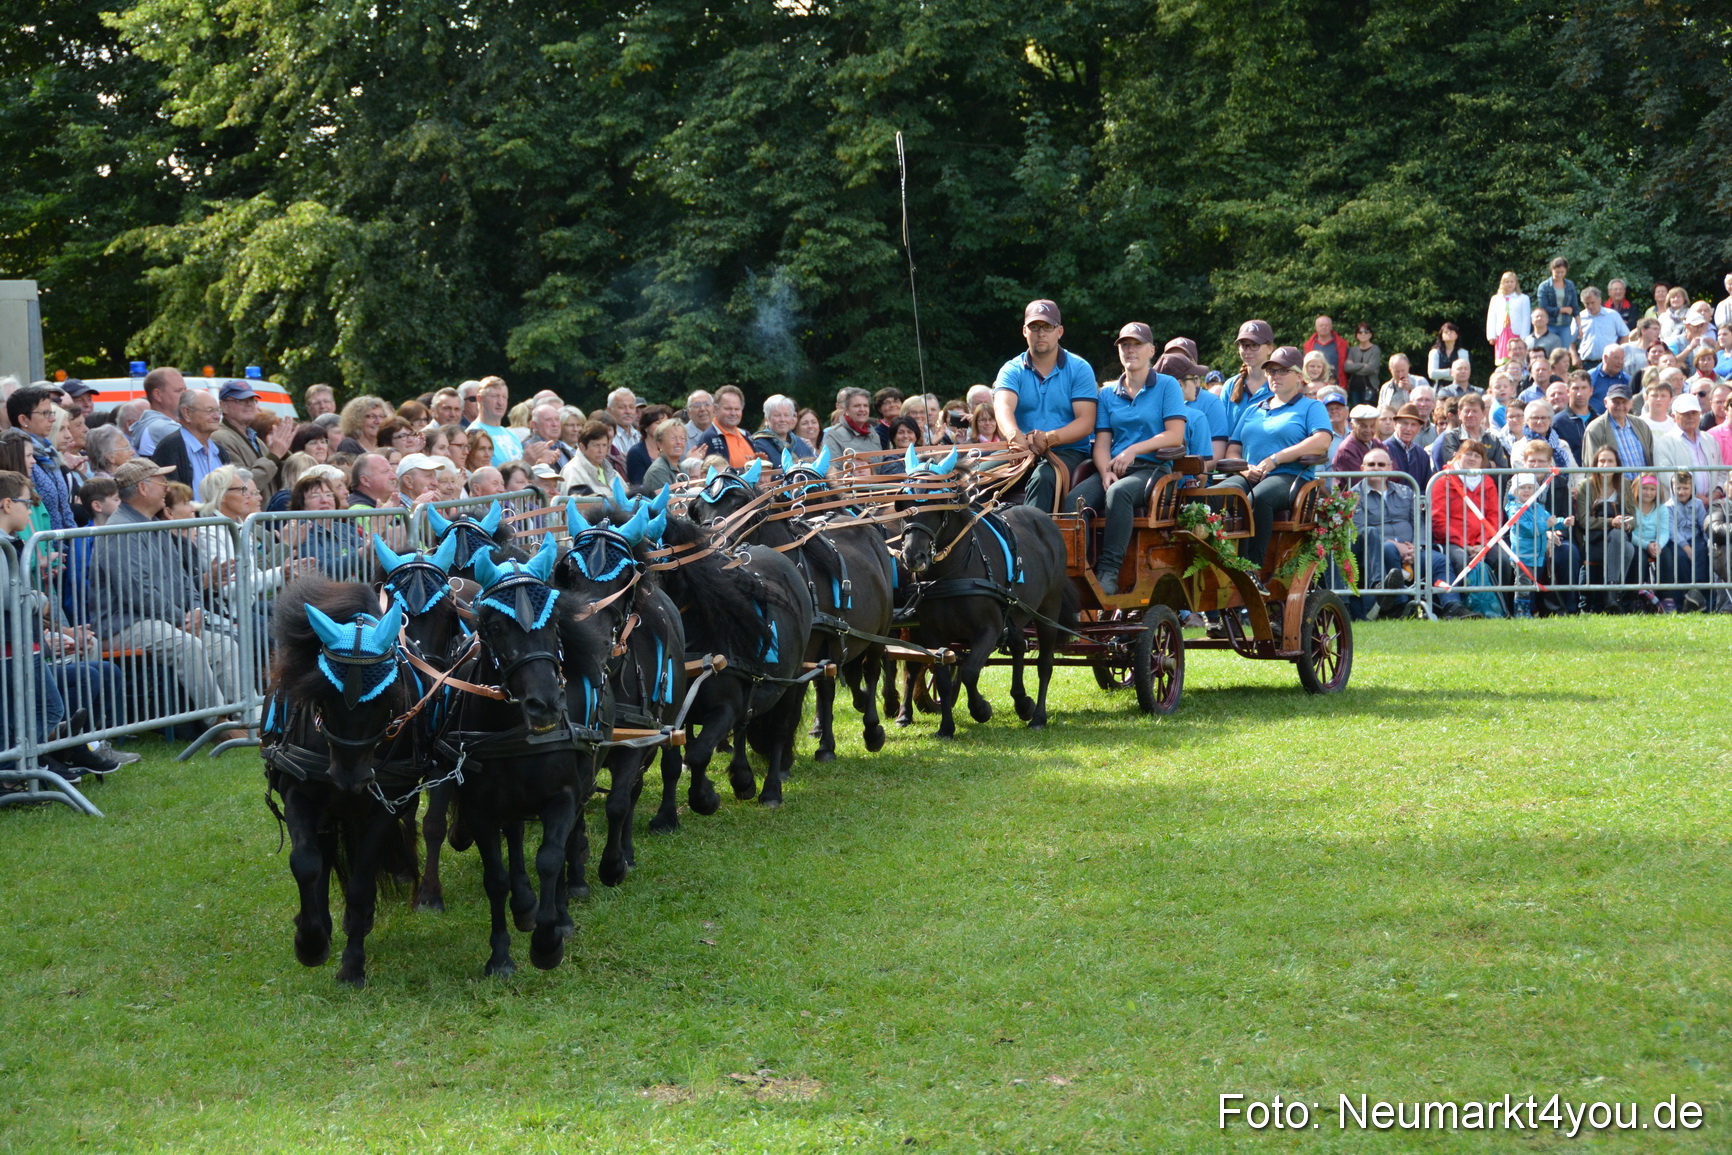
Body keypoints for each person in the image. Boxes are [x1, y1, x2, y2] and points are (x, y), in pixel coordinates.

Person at [87, 458, 252, 732]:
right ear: (142, 488)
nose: (166, 487)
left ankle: (243, 715)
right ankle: (219, 724)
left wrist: (196, 611)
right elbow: (137, 592)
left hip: (162, 620)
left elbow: (185, 581)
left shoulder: (154, 524)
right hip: (122, 624)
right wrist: (180, 618)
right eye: (160, 481)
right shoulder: (119, 530)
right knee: (187, 645)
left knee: (225, 647)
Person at [1069, 324, 1187, 592]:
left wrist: (1133, 449)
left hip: (1153, 469)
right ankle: (1079, 571)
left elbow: (1175, 436)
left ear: (1152, 350)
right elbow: (1101, 444)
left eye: (1137, 344)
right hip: (1114, 468)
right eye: (1124, 345)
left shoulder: (1167, 385)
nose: (1130, 350)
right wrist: (1104, 471)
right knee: (1073, 501)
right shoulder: (1107, 394)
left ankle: (1109, 572)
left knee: (1118, 493)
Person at [1221, 346, 1332, 567]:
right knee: (1214, 496)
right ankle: (1218, 566)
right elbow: (1233, 449)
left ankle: (1251, 569)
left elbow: (1322, 441)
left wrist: (1277, 459)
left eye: (1283, 371)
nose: (1275, 376)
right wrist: (1245, 468)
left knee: (1258, 498)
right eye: (1272, 371)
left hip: (1290, 476)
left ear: (1299, 377)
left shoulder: (1311, 407)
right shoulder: (1253, 409)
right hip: (1250, 475)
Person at [992, 300, 1098, 510]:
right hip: (1020, 450)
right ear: (1025, 330)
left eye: (1047, 327)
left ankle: (1030, 540)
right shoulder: (1011, 369)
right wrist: (1015, 436)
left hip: (1068, 451)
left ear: (1059, 331)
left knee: (1043, 477)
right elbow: (1003, 407)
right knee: (976, 477)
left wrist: (1050, 438)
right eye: (1034, 326)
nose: (1041, 333)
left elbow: (1086, 422)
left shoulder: (1079, 368)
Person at [1430, 440, 1512, 606]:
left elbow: (1494, 517)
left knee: (1504, 560)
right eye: (1468, 454)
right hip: (1453, 541)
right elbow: (1438, 519)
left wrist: (1483, 543)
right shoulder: (1441, 481)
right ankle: (1465, 606)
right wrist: (1465, 544)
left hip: (1483, 541)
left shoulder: (1487, 482)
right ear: (1458, 456)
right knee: (1461, 559)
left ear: (1483, 461)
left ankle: (1503, 607)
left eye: (1477, 455)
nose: (1472, 458)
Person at [1504, 469, 1579, 616]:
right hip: (1523, 556)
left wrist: (1562, 522)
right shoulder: (1514, 509)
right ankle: (1521, 612)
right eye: (1522, 487)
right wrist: (1547, 525)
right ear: (1515, 490)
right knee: (1523, 586)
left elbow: (1549, 519)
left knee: (1532, 585)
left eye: (1530, 487)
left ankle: (1530, 611)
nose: (1526, 491)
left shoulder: (1536, 507)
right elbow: (1528, 529)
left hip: (1537, 556)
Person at [1573, 445, 1634, 612]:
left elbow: (1633, 515)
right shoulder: (1586, 486)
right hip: (1596, 538)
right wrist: (1610, 522)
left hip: (1619, 535)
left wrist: (1626, 523)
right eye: (1602, 461)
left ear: (1617, 464)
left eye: (1610, 461)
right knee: (1627, 547)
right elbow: (1584, 520)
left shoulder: (1625, 484)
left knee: (1618, 535)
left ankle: (1610, 590)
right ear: (1595, 464)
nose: (1606, 465)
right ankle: (1613, 593)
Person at [210, 379, 292, 499]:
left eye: (252, 400)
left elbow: (277, 480)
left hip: (262, 514)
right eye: (240, 400)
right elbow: (244, 485)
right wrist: (274, 455)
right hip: (246, 516)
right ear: (223, 406)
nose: (248, 404)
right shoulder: (221, 438)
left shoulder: (254, 438)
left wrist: (283, 453)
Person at [151, 389, 229, 493]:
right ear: (187, 413)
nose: (217, 416)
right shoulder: (170, 448)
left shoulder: (219, 451)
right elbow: (170, 497)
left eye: (218, 411)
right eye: (209, 410)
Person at [1655, 393, 1726, 500]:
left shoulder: (1709, 439)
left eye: (1694, 413)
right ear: (1674, 416)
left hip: (1712, 505)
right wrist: (1694, 496)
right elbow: (1667, 477)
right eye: (1685, 414)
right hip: (1680, 509)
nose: (1691, 417)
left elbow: (1721, 471)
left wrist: (1717, 492)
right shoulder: (1664, 443)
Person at [1154, 352, 1216, 467]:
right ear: (1179, 384)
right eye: (1193, 379)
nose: (1197, 385)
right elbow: (1201, 474)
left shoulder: (1145, 415)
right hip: (1184, 485)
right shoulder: (1197, 418)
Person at [1629, 473, 1679, 608]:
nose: (1648, 493)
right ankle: (1636, 597)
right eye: (1644, 488)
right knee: (1638, 557)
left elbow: (1664, 531)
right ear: (1637, 488)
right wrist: (1646, 545)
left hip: (1656, 543)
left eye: (1652, 489)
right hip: (1638, 543)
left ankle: (1667, 597)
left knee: (1667, 555)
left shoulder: (1661, 508)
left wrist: (1658, 545)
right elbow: (1629, 533)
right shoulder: (1631, 507)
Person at [1219, 319, 1275, 437]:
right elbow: (1221, 430)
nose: (1248, 351)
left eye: (1254, 345)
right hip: (1232, 453)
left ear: (1270, 348)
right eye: (1244, 345)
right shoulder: (1230, 385)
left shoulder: (1278, 384)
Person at [1665, 472, 1712, 611]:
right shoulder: (1668, 506)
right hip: (1677, 541)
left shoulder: (1697, 504)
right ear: (1672, 488)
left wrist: (1709, 543)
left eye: (1685, 488)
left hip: (1696, 537)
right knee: (1680, 557)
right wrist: (1686, 548)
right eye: (1677, 488)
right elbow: (1672, 531)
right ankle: (1686, 594)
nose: (1681, 492)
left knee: (1702, 552)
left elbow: (1704, 526)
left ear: (1692, 488)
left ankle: (1698, 592)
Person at [1430, 392, 1510, 471]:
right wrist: (1490, 464)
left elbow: (1502, 470)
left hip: (1488, 484)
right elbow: (1454, 465)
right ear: (1459, 414)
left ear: (1483, 414)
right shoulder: (1451, 437)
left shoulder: (1493, 440)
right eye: (1467, 411)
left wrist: (1466, 460)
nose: (1470, 415)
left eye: (1475, 411)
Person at [1584, 384, 1653, 471]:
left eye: (1624, 402)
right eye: (1616, 402)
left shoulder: (1641, 425)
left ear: (1631, 403)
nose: (1620, 407)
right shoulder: (1595, 429)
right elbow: (1592, 464)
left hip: (1643, 483)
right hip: (1614, 484)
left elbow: (1650, 457)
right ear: (1606, 402)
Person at [128, 367, 188, 455]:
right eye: (178, 391)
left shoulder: (153, 424)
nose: (185, 395)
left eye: (185, 390)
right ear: (158, 395)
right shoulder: (162, 427)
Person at [466, 376, 523, 465]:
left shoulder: (511, 435)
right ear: (480, 399)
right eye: (495, 396)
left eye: (504, 397)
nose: (500, 402)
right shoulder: (473, 434)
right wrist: (526, 462)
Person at [1574, 287, 1630, 372]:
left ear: (1599, 301)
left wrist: (1618, 353)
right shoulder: (1579, 318)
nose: (1590, 306)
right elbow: (1569, 339)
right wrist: (1574, 356)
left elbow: (1625, 334)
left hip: (1610, 362)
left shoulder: (1612, 315)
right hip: (1587, 363)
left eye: (1592, 303)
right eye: (1587, 303)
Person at [560, 419, 619, 497]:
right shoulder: (572, 471)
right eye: (596, 445)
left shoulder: (610, 470)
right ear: (582, 447)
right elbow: (577, 506)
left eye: (604, 445)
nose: (601, 450)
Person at [750, 394, 816, 462]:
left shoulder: (799, 443)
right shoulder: (757, 444)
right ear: (767, 419)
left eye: (786, 415)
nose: (783, 419)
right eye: (777, 415)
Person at [1485, 271, 1532, 365]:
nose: (1509, 284)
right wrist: (1491, 336)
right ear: (1502, 283)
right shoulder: (1496, 299)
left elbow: (1526, 318)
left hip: (1517, 333)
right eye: (1507, 282)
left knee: (1518, 357)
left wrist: (1524, 336)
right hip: (1501, 333)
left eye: (1512, 281)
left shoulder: (1523, 298)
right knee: (1503, 358)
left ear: (1516, 283)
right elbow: (1492, 317)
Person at [822, 387, 879, 464]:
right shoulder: (834, 435)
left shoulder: (874, 434)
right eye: (857, 406)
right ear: (846, 410)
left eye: (865, 405)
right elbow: (833, 469)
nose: (862, 409)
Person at [639, 418, 689, 496]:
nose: (679, 442)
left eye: (682, 438)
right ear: (659, 443)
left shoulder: (681, 469)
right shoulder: (657, 471)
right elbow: (667, 504)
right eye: (673, 438)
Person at [1535, 257, 1580, 341]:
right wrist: (1562, 310)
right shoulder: (1544, 286)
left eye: (1562, 272)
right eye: (1557, 272)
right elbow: (1543, 308)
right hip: (1549, 325)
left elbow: (1575, 308)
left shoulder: (1570, 285)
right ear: (1552, 270)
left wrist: (1580, 327)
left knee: (1563, 353)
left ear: (1566, 271)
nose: (1560, 275)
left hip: (1565, 326)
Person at [1332, 404, 1383, 475]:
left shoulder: (1377, 443)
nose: (1368, 430)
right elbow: (1358, 481)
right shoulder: (1347, 449)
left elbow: (1393, 469)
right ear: (1352, 425)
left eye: (1372, 426)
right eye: (1363, 426)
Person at [1303, 315, 1348, 390]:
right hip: (1313, 387)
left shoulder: (1342, 344)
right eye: (1321, 325)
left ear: (1331, 327)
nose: (1324, 327)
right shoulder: (1308, 346)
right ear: (1316, 328)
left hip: (1336, 386)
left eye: (1326, 325)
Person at [1343, 323, 1382, 406]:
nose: (1363, 334)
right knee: (1355, 414)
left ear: (1370, 334)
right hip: (1354, 388)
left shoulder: (1375, 349)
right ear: (1357, 335)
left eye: (1366, 332)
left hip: (1370, 388)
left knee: (1369, 414)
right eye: (1360, 332)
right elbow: (1347, 368)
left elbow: (1371, 369)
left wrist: (1354, 367)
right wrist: (1363, 365)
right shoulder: (1353, 350)